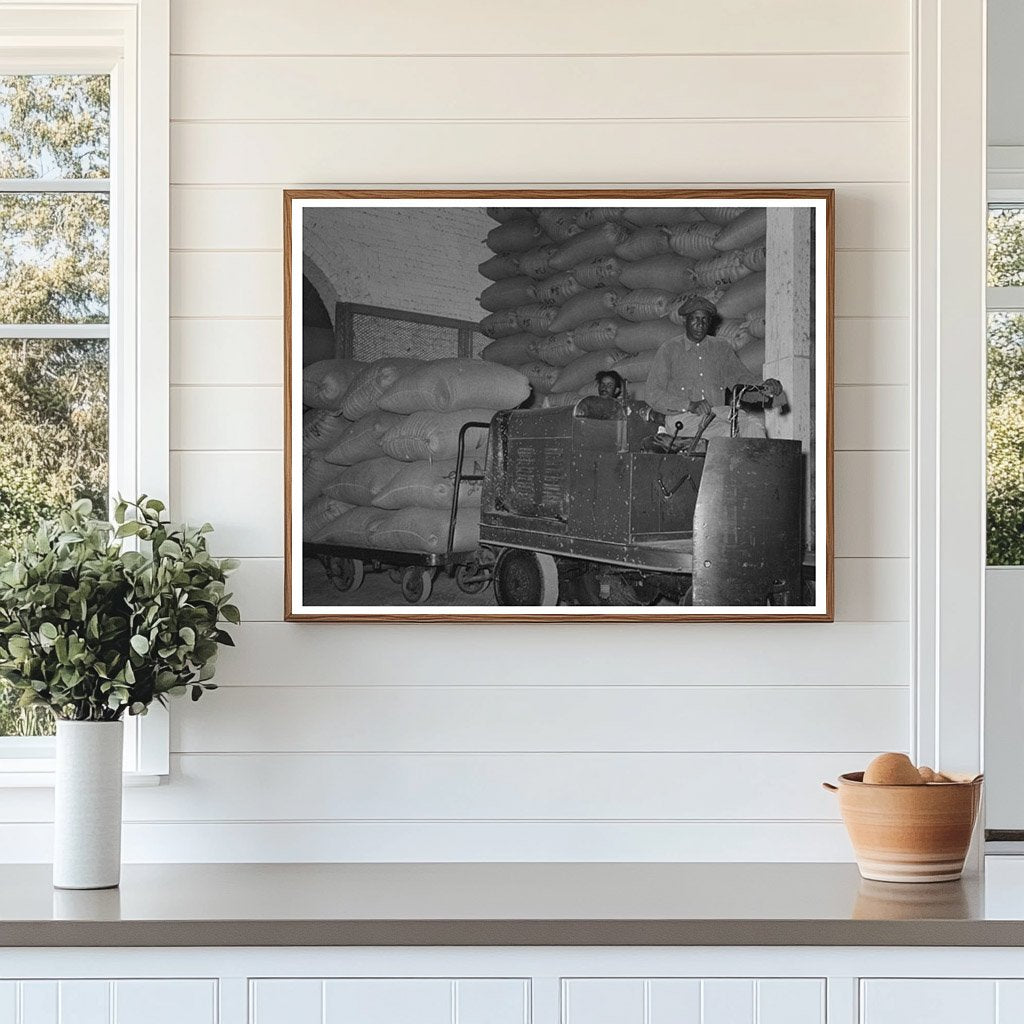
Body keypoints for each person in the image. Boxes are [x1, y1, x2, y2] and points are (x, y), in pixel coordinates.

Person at [645, 296, 783, 439]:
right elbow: (652, 393)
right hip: (683, 418)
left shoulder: (721, 348)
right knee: (728, 435)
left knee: (754, 427)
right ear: (685, 320)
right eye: (695, 319)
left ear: (710, 322)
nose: (700, 324)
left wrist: (764, 387)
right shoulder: (669, 349)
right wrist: (689, 405)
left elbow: (740, 379)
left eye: (704, 319)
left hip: (718, 413)